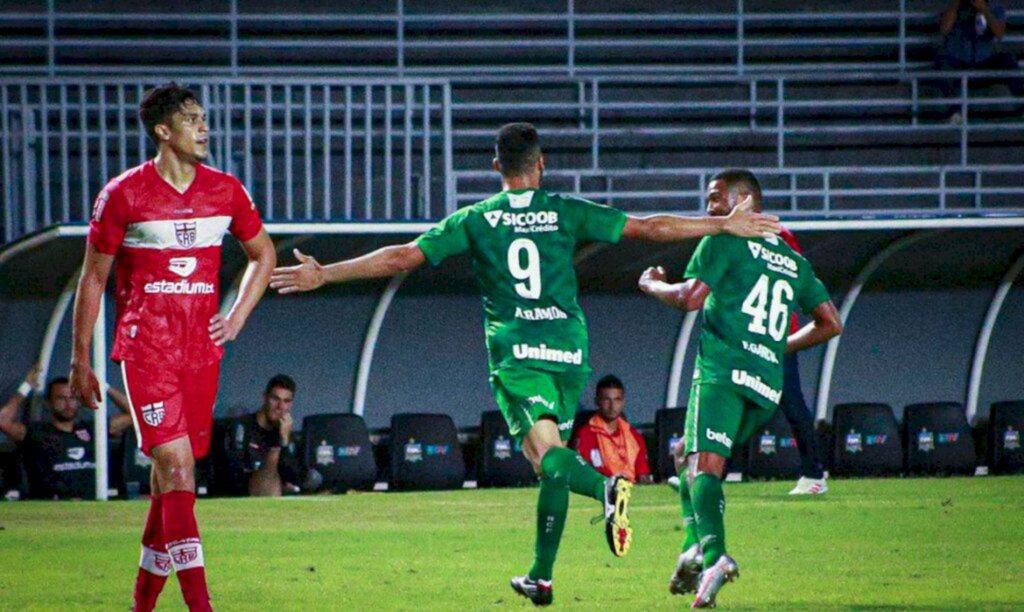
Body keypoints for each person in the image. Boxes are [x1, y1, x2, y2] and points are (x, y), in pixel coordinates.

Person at [270, 122, 780, 606]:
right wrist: (722, 225)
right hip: (569, 352)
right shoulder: (563, 209)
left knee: (546, 456)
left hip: (519, 354)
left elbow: (403, 256)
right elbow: (649, 228)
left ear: (497, 165)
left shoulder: (478, 218)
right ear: (541, 165)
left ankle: (605, 487)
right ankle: (541, 575)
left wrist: (326, 273)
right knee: (550, 462)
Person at [68, 83, 275, 612]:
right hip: (146, 350)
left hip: (201, 354)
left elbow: (263, 254)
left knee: (171, 485)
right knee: (178, 469)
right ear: (163, 131)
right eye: (192, 119)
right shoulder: (124, 194)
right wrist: (79, 358)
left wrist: (235, 318)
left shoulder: (226, 190)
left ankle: (142, 606)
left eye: (204, 118)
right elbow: (93, 278)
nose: (204, 128)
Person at [638, 169, 842, 608]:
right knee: (684, 455)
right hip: (765, 386)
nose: (709, 208)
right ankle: (692, 548)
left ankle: (714, 556)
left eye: (716, 199)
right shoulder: (792, 260)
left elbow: (691, 298)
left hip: (723, 372)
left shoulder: (723, 239)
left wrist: (651, 284)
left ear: (744, 200)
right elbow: (831, 322)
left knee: (705, 468)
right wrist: (777, 347)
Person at [0, 364, 133, 499]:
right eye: (61, 398)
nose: (68, 404)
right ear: (48, 402)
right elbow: (2, 421)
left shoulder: (94, 429)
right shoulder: (36, 432)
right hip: (52, 509)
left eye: (73, 398)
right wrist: (26, 387)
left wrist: (103, 386)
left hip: (92, 508)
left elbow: (134, 413)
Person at [934, 0, 1022, 122]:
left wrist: (984, 9)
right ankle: (955, 112)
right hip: (957, 61)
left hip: (983, 62)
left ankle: (1021, 100)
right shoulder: (953, 6)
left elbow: (1000, 34)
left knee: (1007, 59)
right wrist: (956, 4)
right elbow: (944, 29)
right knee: (943, 62)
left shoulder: (994, 7)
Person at [224, 374, 304, 497]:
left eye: (286, 401)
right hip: (244, 496)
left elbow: (293, 477)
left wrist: (284, 441)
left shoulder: (286, 431)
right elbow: (233, 472)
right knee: (271, 461)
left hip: (278, 498)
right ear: (264, 397)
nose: (280, 407)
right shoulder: (242, 427)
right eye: (275, 399)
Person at [572, 375, 653, 484]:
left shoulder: (634, 436)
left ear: (623, 402)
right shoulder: (585, 435)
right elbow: (581, 475)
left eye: (617, 400)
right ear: (597, 401)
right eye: (606, 400)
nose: (612, 406)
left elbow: (643, 475)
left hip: (631, 493)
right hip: (601, 492)